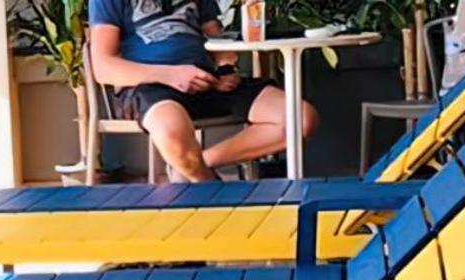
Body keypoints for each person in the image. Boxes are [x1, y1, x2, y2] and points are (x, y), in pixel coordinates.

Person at [89, 0, 318, 183]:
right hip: (149, 86)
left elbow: (216, 37)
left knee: (301, 119)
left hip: (205, 79)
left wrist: (225, 69)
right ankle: (210, 189)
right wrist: (171, 75)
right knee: (171, 129)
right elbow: (103, 67)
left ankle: (193, 165)